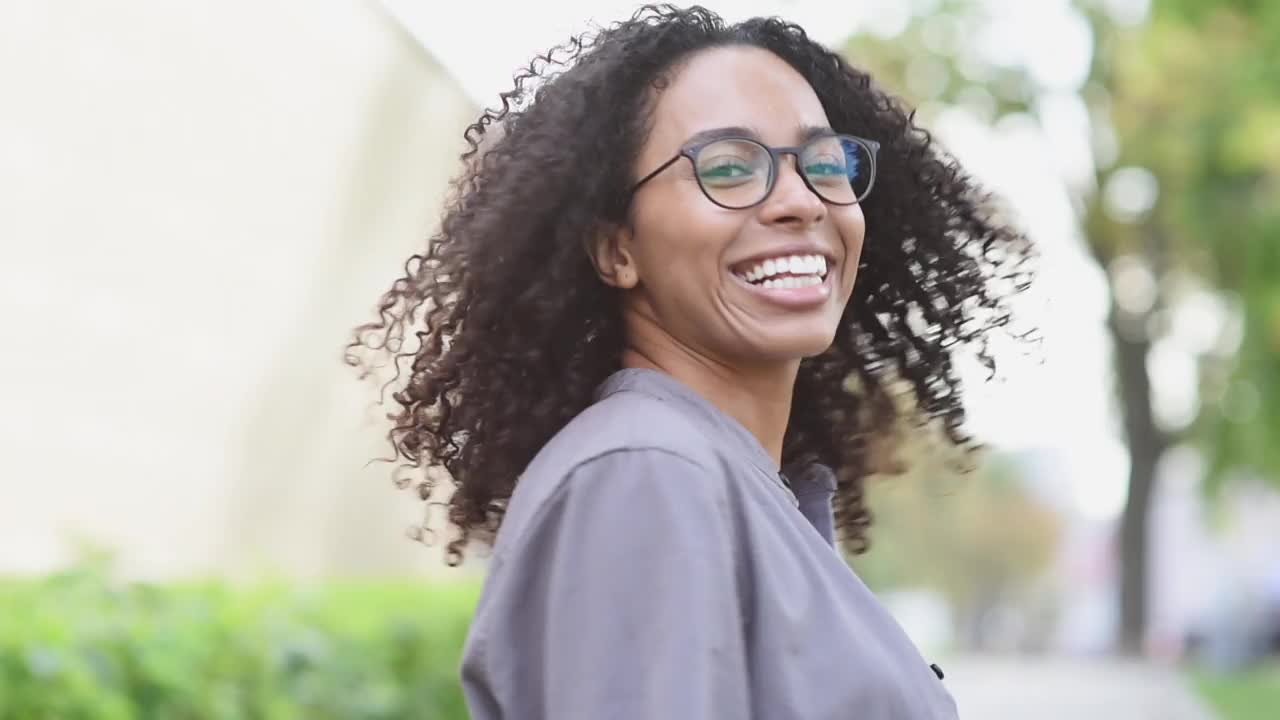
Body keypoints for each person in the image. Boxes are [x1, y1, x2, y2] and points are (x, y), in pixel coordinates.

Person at [348, 4, 1033, 718]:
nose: (800, 200)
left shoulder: (724, 481)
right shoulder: (644, 475)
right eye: (729, 168)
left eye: (825, 163)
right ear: (616, 249)